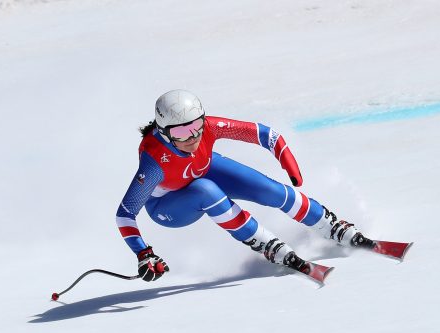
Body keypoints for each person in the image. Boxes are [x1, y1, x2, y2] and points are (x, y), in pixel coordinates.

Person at [116, 89, 374, 282]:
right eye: (181, 134)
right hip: (169, 206)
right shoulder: (154, 162)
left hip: (200, 170)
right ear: (163, 132)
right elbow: (125, 214)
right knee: (206, 190)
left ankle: (330, 226)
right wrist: (144, 254)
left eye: (196, 127)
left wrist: (288, 161)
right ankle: (265, 242)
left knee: (269, 190)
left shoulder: (207, 128)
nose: (193, 137)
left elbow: (264, 134)